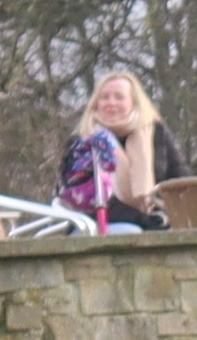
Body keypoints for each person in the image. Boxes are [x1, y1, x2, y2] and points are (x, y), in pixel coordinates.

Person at [58, 68, 185, 230]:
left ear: (134, 102)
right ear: (96, 103)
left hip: (156, 217)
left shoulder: (156, 132)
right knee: (132, 232)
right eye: (104, 97)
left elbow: (180, 178)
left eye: (119, 97)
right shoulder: (82, 142)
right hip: (96, 223)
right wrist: (143, 220)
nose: (111, 103)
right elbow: (87, 198)